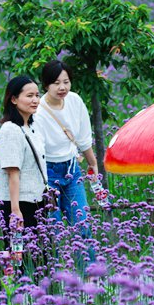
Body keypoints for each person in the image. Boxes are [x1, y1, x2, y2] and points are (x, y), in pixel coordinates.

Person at [34, 60, 99, 268]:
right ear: (46, 85)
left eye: (66, 82)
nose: (62, 87)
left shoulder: (75, 101)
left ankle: (89, 276)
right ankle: (55, 277)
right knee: (52, 228)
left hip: (72, 170)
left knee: (81, 223)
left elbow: (83, 137)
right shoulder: (38, 110)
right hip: (47, 174)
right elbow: (38, 148)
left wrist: (92, 164)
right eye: (56, 83)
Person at [0, 76, 50, 275]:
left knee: (40, 260)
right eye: (29, 96)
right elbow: (13, 174)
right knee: (19, 261)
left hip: (37, 202)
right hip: (20, 205)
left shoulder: (31, 127)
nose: (35, 100)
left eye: (37, 95)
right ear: (14, 99)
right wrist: (15, 211)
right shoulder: (10, 130)